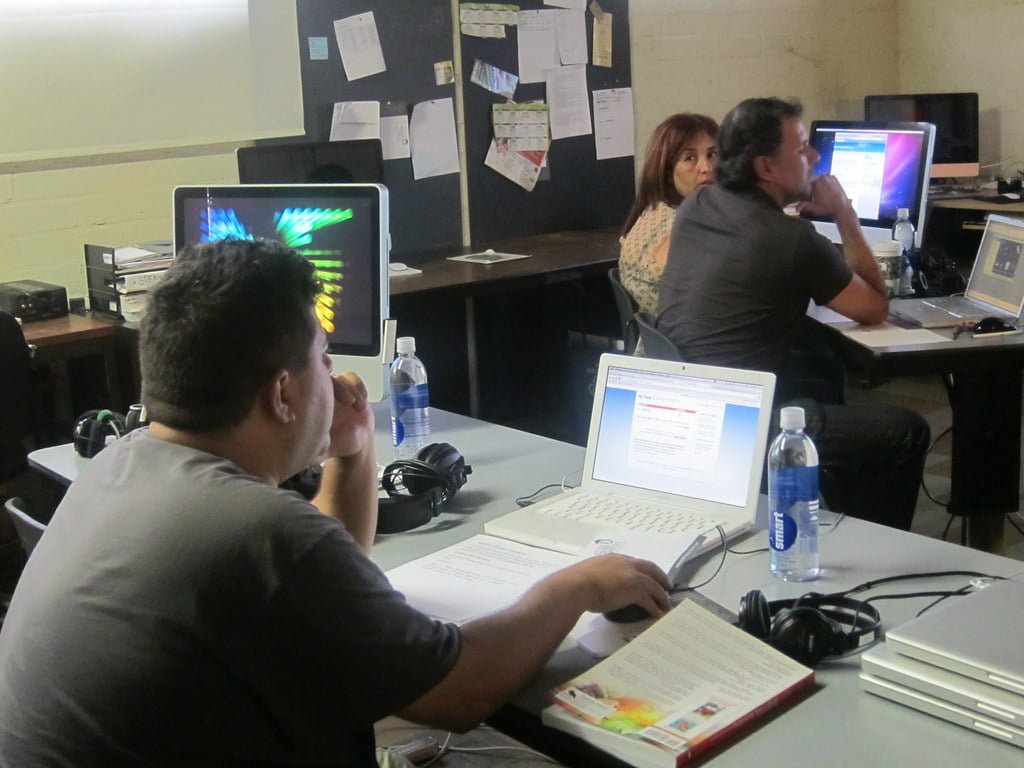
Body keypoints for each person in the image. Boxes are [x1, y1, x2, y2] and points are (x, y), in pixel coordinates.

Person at [0, 239, 672, 766]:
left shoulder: (121, 463)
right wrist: (578, 583)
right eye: (322, 358)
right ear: (282, 395)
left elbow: (324, 587)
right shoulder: (259, 533)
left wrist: (351, 451)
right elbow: (462, 691)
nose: (334, 373)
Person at [657, 97, 929, 531]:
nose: (815, 156)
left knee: (818, 364)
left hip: (681, 405)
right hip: (742, 424)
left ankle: (840, 520)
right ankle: (879, 549)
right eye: (802, 148)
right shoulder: (793, 241)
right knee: (905, 430)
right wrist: (843, 213)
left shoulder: (698, 206)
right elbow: (875, 307)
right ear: (765, 167)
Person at [619, 113, 719, 314]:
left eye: (712, 155)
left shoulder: (653, 210)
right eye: (689, 158)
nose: (706, 168)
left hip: (656, 342)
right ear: (667, 171)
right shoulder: (689, 228)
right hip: (689, 342)